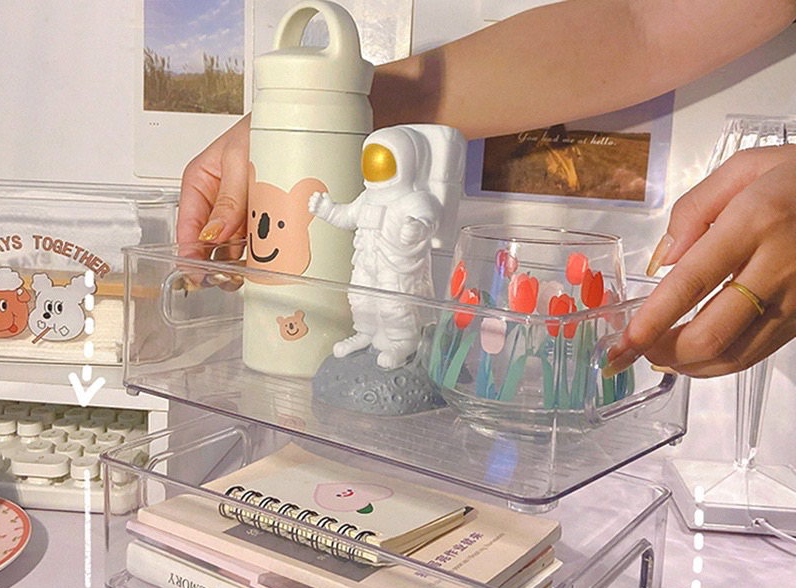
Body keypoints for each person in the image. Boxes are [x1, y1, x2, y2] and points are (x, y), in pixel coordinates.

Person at [177, 0, 796, 377]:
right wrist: (327, 109)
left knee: (393, 313)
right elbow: (643, 27)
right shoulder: (377, 188)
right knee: (369, 310)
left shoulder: (411, 201)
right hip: (368, 284)